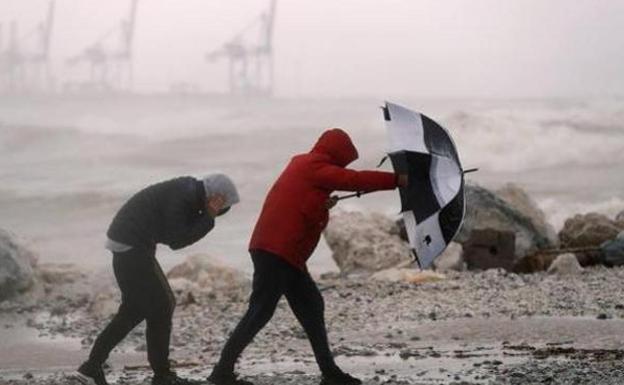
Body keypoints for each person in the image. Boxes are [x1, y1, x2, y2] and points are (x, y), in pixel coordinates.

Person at [208, 129, 407, 385]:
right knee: (259, 312)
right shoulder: (312, 165)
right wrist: (398, 180)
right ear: (336, 154)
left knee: (311, 306)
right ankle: (221, 372)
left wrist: (321, 205)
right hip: (275, 251)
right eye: (343, 160)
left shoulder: (305, 167)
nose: (343, 165)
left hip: (285, 255)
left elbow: (308, 216)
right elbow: (353, 180)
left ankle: (329, 373)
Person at [75, 174, 240, 385]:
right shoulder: (184, 195)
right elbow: (177, 240)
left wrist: (206, 215)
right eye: (222, 207)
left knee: (135, 310)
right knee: (163, 304)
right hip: (131, 246)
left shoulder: (188, 192)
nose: (221, 212)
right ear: (215, 197)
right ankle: (161, 376)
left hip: (130, 244)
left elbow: (169, 231)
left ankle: (92, 367)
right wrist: (208, 217)